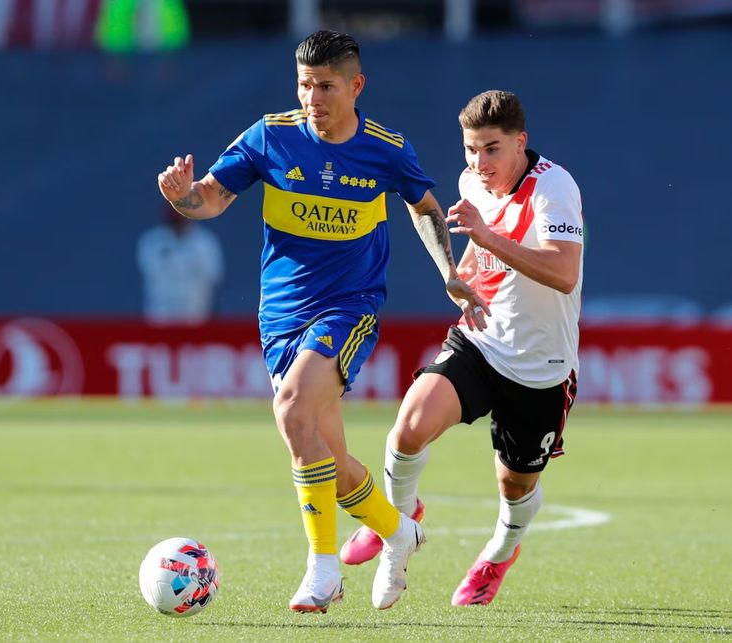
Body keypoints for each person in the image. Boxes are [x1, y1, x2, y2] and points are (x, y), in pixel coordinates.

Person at [156, 30, 485, 612]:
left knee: (291, 414)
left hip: (348, 308)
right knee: (324, 455)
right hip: (279, 317)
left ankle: (323, 569)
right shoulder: (270, 136)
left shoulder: (386, 148)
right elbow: (210, 198)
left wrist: (448, 273)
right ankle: (398, 529)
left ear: (356, 86)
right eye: (305, 84)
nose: (313, 97)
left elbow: (425, 208)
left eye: (327, 86)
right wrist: (184, 197)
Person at [339, 89, 584, 606]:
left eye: (492, 149)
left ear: (521, 141)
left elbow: (563, 274)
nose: (478, 162)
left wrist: (485, 238)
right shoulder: (472, 180)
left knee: (515, 487)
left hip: (541, 366)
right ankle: (395, 531)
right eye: (471, 149)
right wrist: (461, 275)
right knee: (408, 427)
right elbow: (479, 245)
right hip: (481, 338)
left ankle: (499, 552)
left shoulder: (555, 189)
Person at [137, 205, 224, 324]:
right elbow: (151, 271)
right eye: (174, 220)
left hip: (195, 310)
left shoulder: (204, 242)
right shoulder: (152, 241)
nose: (177, 225)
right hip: (161, 310)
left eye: (181, 218)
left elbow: (213, 274)